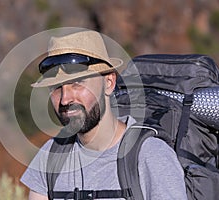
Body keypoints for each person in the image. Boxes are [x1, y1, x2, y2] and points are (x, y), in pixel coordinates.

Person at [20, 30, 187, 200]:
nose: (65, 99)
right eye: (56, 88)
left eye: (77, 84)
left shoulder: (151, 155)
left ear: (109, 83)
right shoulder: (51, 155)